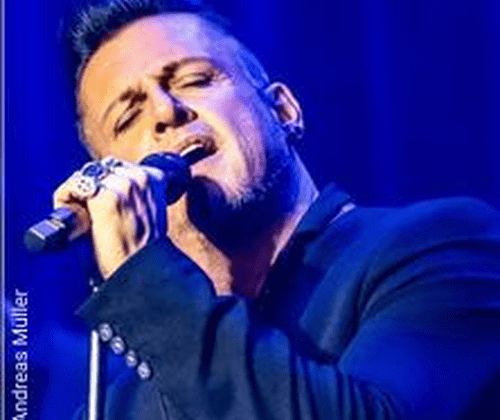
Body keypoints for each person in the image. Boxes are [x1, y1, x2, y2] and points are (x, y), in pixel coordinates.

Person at [58, 0, 500, 419]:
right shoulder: (120, 407)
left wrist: (142, 281)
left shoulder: (440, 243)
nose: (165, 112)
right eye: (127, 118)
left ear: (284, 110)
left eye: (195, 81)